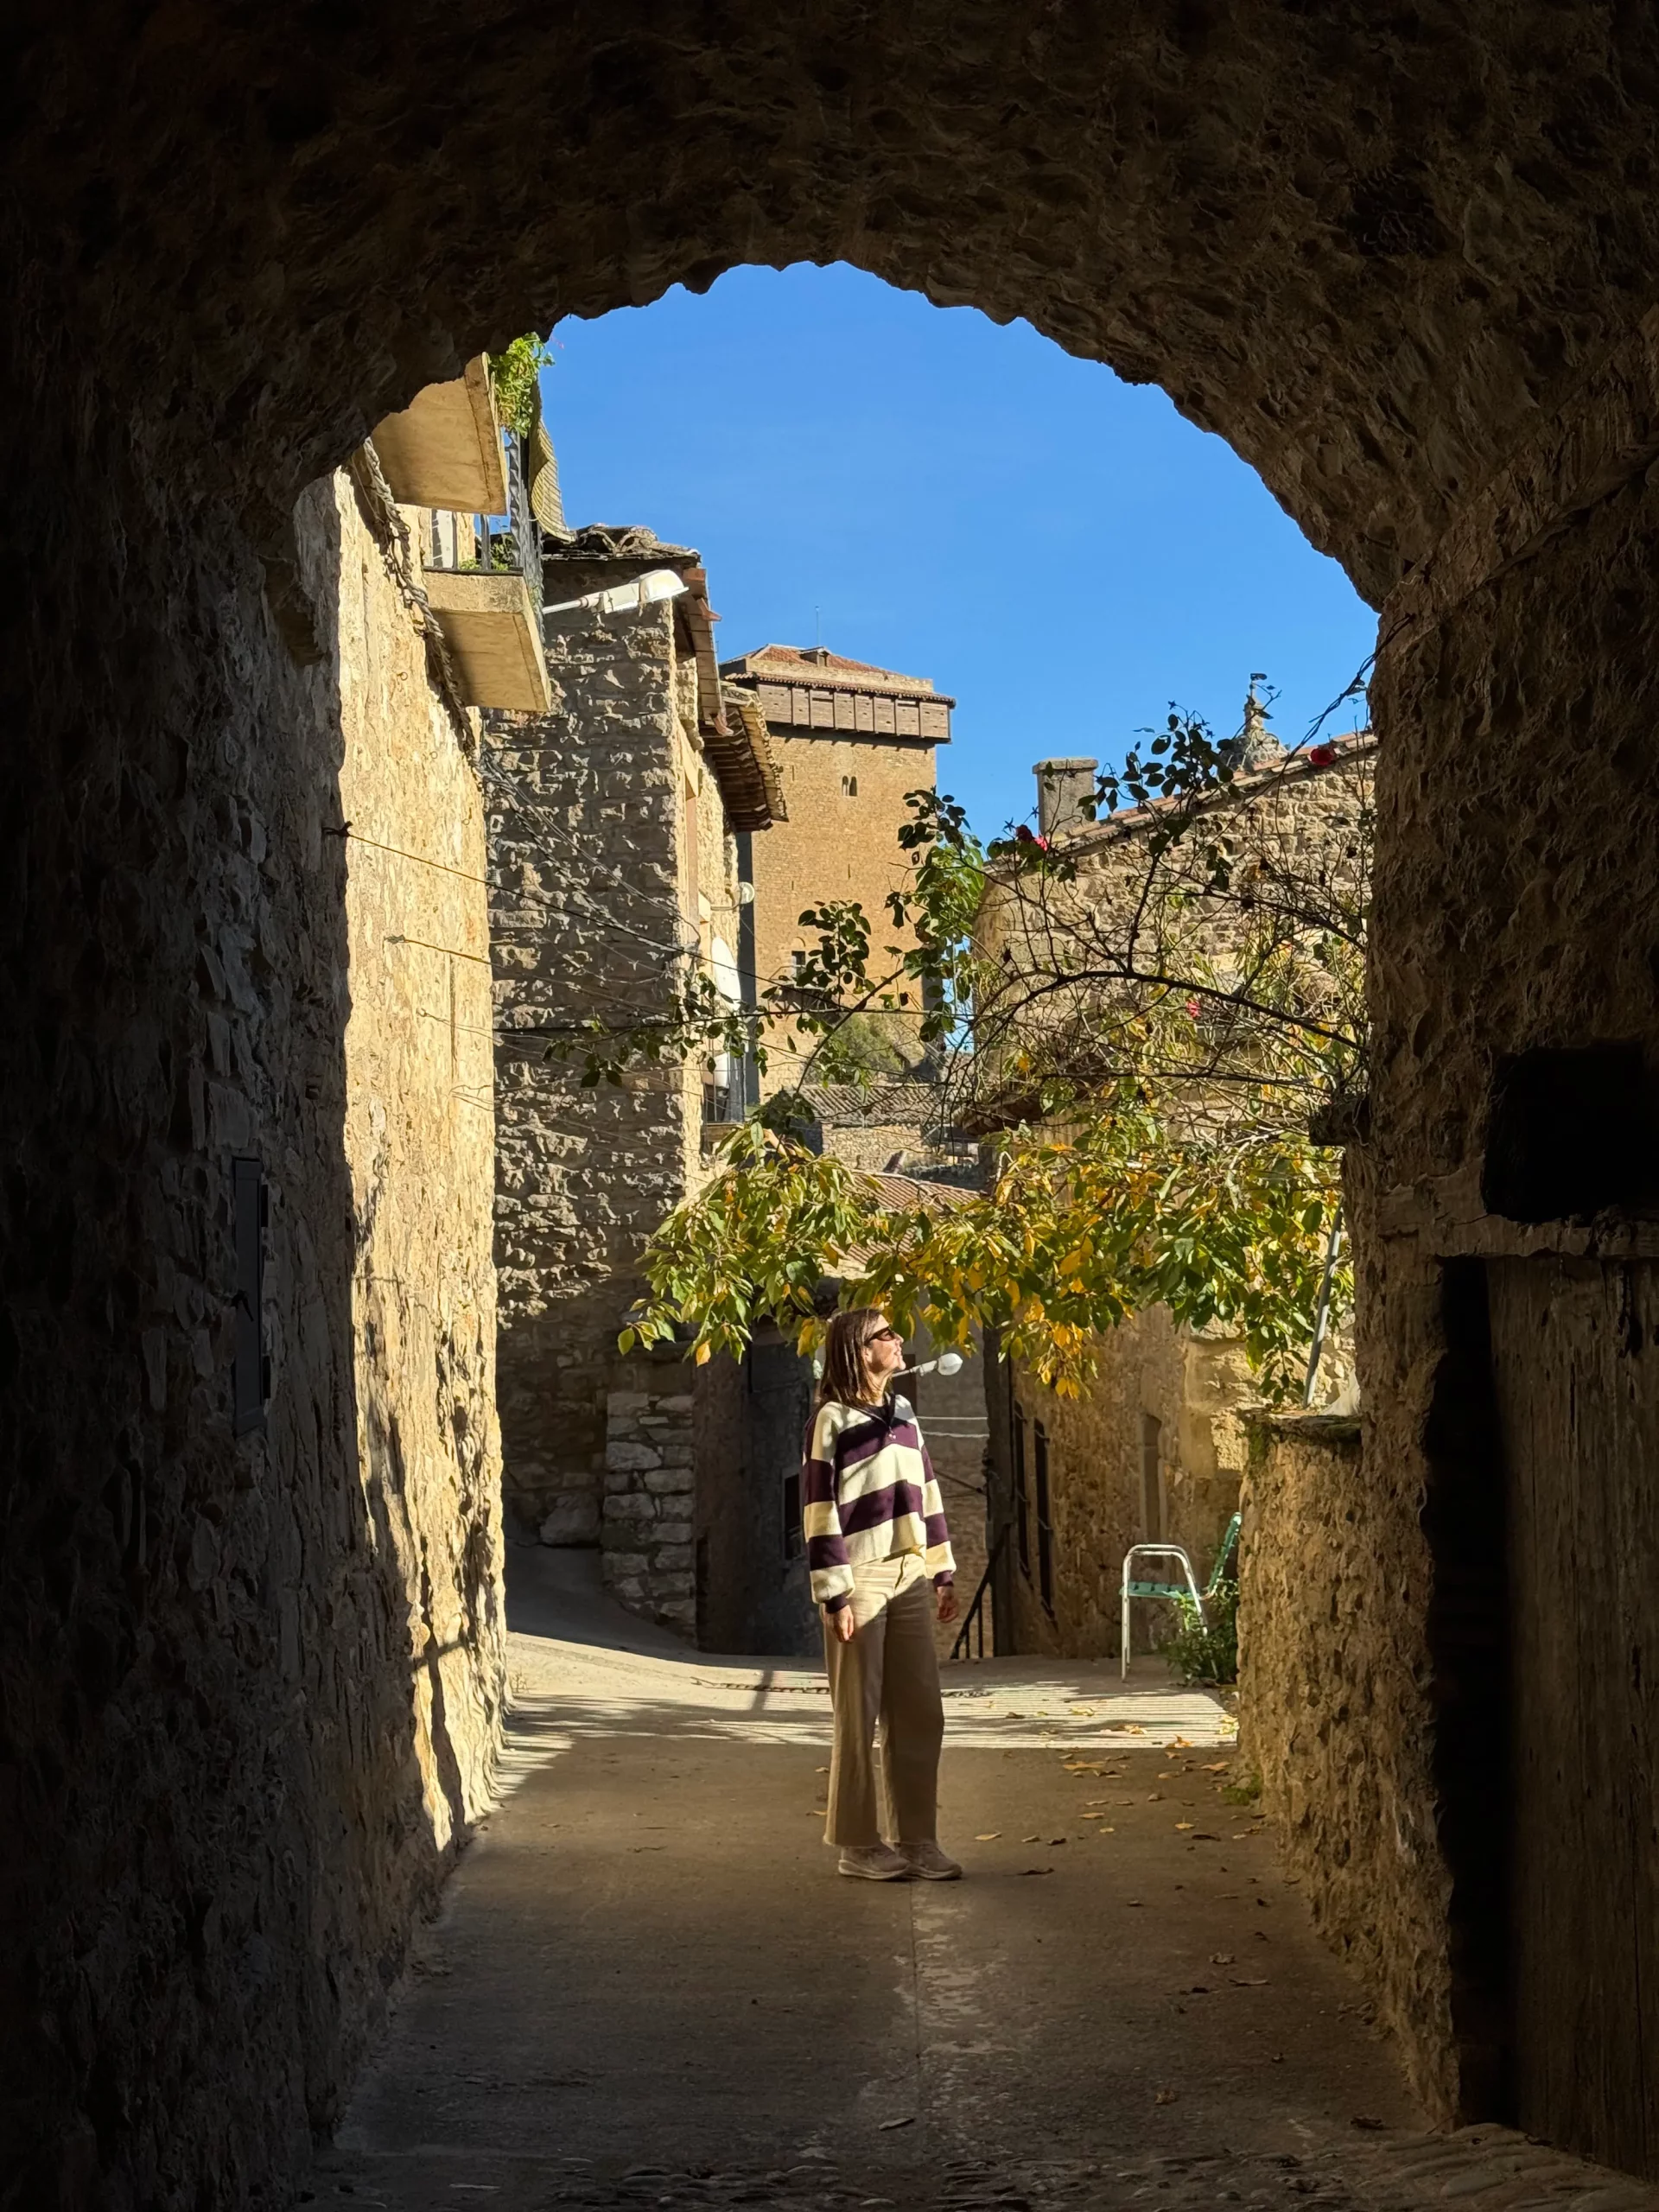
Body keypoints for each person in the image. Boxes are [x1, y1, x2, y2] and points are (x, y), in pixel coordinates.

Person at [802, 1307, 962, 1880]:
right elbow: (818, 1510)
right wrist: (835, 1594)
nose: (898, 1340)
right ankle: (857, 1845)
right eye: (885, 1335)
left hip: (909, 1573)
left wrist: (941, 1571)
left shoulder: (903, 1412)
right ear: (858, 1349)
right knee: (858, 1716)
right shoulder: (831, 1420)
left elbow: (928, 1491)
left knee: (921, 1711)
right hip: (860, 1578)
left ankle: (917, 1840)